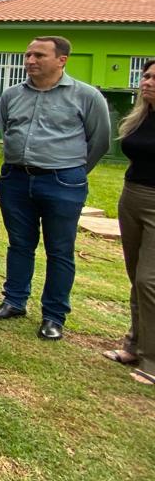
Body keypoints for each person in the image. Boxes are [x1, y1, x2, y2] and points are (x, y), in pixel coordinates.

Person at [0, 36, 111, 341]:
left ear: (61, 60)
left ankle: (54, 315)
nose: (30, 60)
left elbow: (99, 141)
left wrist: (72, 172)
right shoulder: (12, 94)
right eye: (28, 54)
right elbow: (5, 128)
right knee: (19, 243)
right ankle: (14, 301)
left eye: (39, 55)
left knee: (59, 250)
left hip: (62, 182)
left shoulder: (86, 96)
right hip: (16, 179)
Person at [104, 58, 155, 385]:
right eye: (146, 76)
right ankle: (134, 345)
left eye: (154, 78)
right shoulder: (142, 117)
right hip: (132, 196)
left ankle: (152, 359)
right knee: (136, 276)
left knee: (149, 280)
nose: (147, 82)